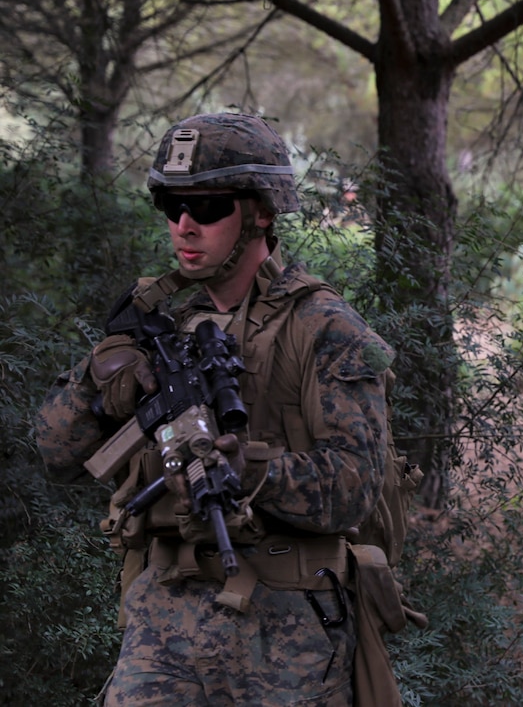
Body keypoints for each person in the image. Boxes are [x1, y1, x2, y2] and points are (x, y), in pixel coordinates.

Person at [35, 112, 420, 705]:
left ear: (261, 211)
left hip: (286, 629)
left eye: (209, 207)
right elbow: (56, 454)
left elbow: (354, 489)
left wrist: (253, 471)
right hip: (162, 621)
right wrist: (99, 378)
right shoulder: (168, 328)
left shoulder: (324, 328)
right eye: (171, 206)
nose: (185, 226)